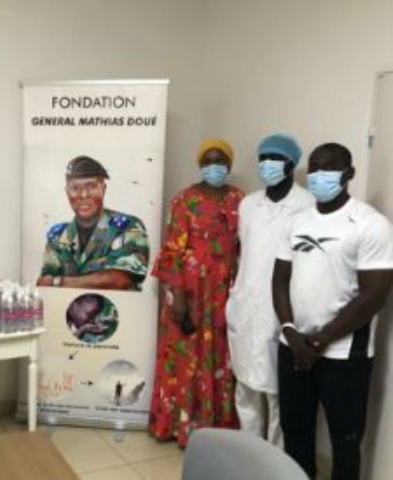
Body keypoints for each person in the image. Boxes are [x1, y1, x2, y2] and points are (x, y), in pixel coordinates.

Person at [273, 143, 393, 480]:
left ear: (348, 173)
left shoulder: (370, 224)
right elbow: (279, 279)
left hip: (344, 355)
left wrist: (323, 338)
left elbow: (374, 295)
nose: (318, 175)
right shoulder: (296, 221)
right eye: (313, 168)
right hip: (293, 346)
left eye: (328, 168)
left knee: (346, 441)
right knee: (295, 433)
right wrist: (290, 331)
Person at [149, 139, 242, 447]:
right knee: (185, 356)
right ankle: (180, 426)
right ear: (201, 165)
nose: (214, 166)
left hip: (224, 289)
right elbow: (172, 251)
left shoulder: (240, 199)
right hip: (188, 288)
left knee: (220, 356)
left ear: (229, 165)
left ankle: (217, 426)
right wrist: (177, 297)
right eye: (208, 161)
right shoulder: (184, 200)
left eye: (220, 160)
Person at [225, 134, 314, 447]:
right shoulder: (248, 204)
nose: (267, 164)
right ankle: (248, 450)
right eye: (263, 158)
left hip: (283, 308)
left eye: (276, 158)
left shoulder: (308, 205)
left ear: (291, 163)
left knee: (279, 392)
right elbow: (244, 252)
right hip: (246, 303)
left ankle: (276, 458)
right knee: (245, 386)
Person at [37, 156, 150, 291]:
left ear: (103, 189)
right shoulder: (58, 236)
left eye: (91, 186)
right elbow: (45, 284)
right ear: (67, 192)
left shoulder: (128, 227)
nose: (84, 195)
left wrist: (58, 282)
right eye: (75, 188)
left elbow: (119, 281)